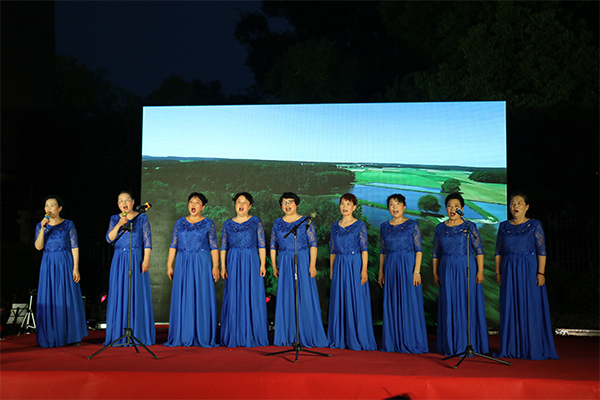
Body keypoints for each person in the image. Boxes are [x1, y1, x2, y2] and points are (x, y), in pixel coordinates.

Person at [494, 192, 558, 359]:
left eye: (519, 203)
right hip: (508, 269)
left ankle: (532, 347)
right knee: (509, 306)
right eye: (512, 203)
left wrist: (541, 272)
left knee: (530, 305)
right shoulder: (503, 226)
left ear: (527, 207)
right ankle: (512, 347)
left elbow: (541, 251)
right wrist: (498, 272)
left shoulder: (535, 225)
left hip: (529, 268)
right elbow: (498, 252)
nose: (515, 206)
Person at [433, 192, 488, 356]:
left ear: (462, 209)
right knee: (449, 304)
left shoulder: (469, 226)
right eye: (449, 206)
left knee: (467, 303)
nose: (452, 209)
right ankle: (451, 345)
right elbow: (436, 253)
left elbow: (479, 250)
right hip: (447, 268)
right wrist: (435, 272)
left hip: (466, 268)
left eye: (456, 206)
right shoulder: (440, 228)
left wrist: (480, 271)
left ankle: (468, 344)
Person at [270, 192, 328, 348]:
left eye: (290, 202)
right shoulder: (277, 223)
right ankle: (288, 334)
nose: (287, 205)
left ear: (296, 204)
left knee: (304, 294)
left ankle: (307, 333)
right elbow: (273, 245)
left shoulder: (305, 222)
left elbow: (313, 244)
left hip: (302, 259)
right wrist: (274, 266)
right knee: (286, 294)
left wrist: (312, 265)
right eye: (283, 202)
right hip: (284, 260)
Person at [164, 192, 220, 347]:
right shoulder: (179, 222)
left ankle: (203, 334)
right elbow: (173, 245)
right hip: (183, 262)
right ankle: (183, 333)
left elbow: (214, 247)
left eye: (197, 202)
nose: (193, 205)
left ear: (203, 207)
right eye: (191, 202)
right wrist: (169, 265)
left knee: (201, 295)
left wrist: (216, 266)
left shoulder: (208, 223)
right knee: (183, 295)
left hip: (202, 262)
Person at [34, 196, 87, 347]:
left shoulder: (68, 224)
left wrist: (75, 267)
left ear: (60, 208)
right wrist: (43, 229)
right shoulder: (40, 226)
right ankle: (50, 335)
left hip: (65, 262)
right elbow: (38, 247)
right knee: (50, 297)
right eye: (47, 206)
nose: (49, 208)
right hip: (48, 263)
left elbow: (74, 246)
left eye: (52, 205)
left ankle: (71, 336)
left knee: (67, 296)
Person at [378, 194, 428, 353]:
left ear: (404, 206)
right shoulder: (384, 227)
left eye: (398, 204)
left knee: (409, 301)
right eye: (391, 204)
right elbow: (383, 252)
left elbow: (419, 250)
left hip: (408, 266)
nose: (395, 207)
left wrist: (417, 271)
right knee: (393, 301)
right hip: (390, 266)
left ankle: (411, 341)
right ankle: (393, 341)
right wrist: (381, 272)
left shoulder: (412, 225)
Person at [104, 191, 155, 346]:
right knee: (120, 292)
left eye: (127, 200)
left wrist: (146, 260)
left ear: (133, 202)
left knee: (136, 293)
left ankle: (138, 332)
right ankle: (119, 333)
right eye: (121, 201)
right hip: (119, 259)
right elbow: (109, 239)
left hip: (136, 258)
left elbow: (147, 241)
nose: (124, 203)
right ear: (118, 204)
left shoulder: (142, 217)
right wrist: (120, 224)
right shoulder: (114, 218)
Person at [328, 193, 376, 351]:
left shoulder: (360, 225)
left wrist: (364, 269)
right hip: (339, 264)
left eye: (348, 204)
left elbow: (364, 249)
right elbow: (333, 250)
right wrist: (332, 269)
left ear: (354, 207)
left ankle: (358, 336)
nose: (344, 207)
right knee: (339, 299)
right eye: (342, 203)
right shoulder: (335, 226)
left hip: (355, 264)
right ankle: (339, 337)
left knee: (356, 298)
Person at [220, 192, 268, 347]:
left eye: (244, 202)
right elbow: (223, 247)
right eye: (238, 202)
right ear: (235, 205)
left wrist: (262, 264)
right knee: (234, 294)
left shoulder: (256, 221)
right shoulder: (228, 224)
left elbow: (262, 244)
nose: (241, 205)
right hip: (233, 260)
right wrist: (223, 266)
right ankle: (234, 333)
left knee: (253, 293)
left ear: (250, 206)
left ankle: (253, 333)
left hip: (251, 259)